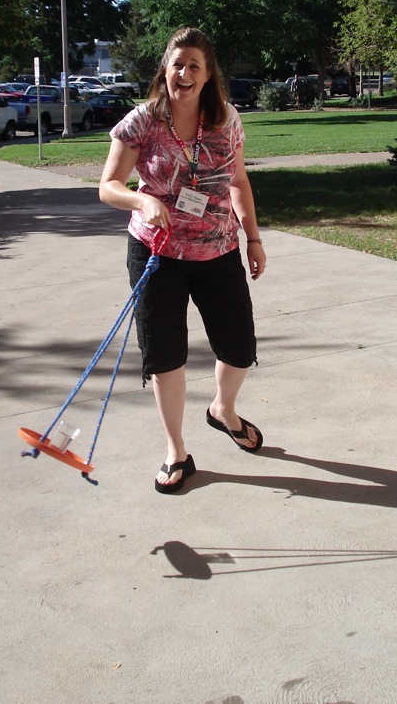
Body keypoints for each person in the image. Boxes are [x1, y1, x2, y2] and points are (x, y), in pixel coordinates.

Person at [99, 27, 267, 494]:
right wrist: (141, 202)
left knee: (239, 348)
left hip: (217, 250)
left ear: (208, 73)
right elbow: (107, 185)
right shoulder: (142, 122)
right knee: (164, 353)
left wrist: (252, 238)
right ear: (165, 70)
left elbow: (238, 182)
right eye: (177, 64)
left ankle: (222, 410)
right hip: (157, 254)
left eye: (194, 65)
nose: (185, 73)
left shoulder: (227, 120)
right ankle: (177, 451)